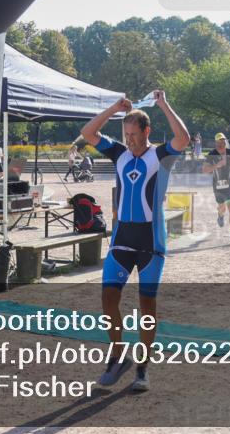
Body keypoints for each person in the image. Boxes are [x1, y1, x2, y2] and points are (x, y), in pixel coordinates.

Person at [80, 90, 189, 392]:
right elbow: (88, 133)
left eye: (134, 134)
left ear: (146, 131)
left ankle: (142, 366)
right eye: (125, 134)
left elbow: (183, 138)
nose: (129, 140)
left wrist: (164, 104)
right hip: (122, 238)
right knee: (108, 298)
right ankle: (117, 356)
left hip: (150, 241)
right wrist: (113, 109)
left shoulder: (160, 156)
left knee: (146, 304)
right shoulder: (119, 154)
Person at [203, 132, 230, 243]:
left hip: (229, 184)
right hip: (218, 185)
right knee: (222, 208)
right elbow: (205, 170)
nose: (221, 144)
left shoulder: (229, 152)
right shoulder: (211, 154)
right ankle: (220, 215)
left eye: (223, 142)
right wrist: (217, 165)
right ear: (216, 143)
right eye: (219, 142)